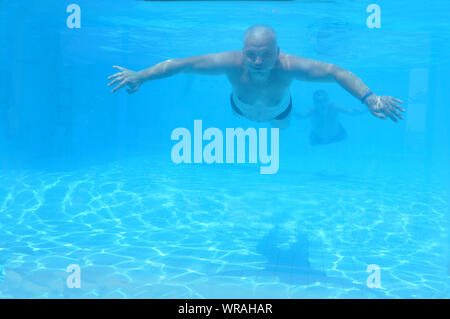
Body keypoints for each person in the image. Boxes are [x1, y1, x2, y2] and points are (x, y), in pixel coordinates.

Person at [108, 25, 404, 129]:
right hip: (240, 109)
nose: (258, 61)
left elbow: (336, 72)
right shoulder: (229, 62)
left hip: (280, 112)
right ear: (243, 50)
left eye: (265, 54)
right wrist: (141, 76)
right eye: (251, 54)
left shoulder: (289, 66)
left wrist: (369, 98)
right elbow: (181, 64)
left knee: (283, 126)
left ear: (278, 52)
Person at [296, 90, 366, 145]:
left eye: (324, 100)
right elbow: (300, 116)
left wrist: (367, 109)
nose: (322, 103)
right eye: (319, 101)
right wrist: (291, 111)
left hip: (338, 136)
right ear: (314, 102)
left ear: (328, 100)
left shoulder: (334, 107)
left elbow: (351, 112)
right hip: (318, 139)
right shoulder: (312, 111)